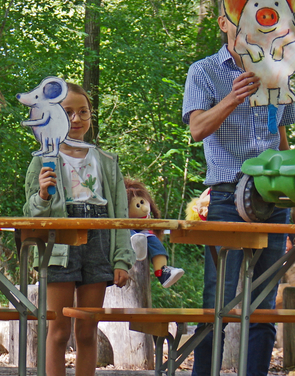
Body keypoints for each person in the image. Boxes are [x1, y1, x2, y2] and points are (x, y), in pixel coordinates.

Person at [182, 14, 295, 376]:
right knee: (218, 303)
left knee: (263, 308)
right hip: (227, 196)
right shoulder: (203, 71)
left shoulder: (279, 72)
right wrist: (233, 97)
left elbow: (282, 141)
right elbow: (197, 129)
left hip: (274, 197)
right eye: (241, 19)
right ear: (223, 22)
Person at [24, 82, 134, 376]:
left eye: (83, 112)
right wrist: (43, 196)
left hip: (99, 242)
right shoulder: (42, 160)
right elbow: (32, 216)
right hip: (59, 246)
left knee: (87, 330)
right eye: (67, 112)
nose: (76, 119)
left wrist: (122, 258)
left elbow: (120, 215)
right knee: (58, 330)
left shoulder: (107, 162)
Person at [124, 178, 184, 287]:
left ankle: (162, 272)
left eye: (143, 202)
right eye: (138, 205)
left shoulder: (147, 218)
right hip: (127, 233)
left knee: (155, 242)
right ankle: (135, 246)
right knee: (130, 235)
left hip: (145, 234)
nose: (143, 208)